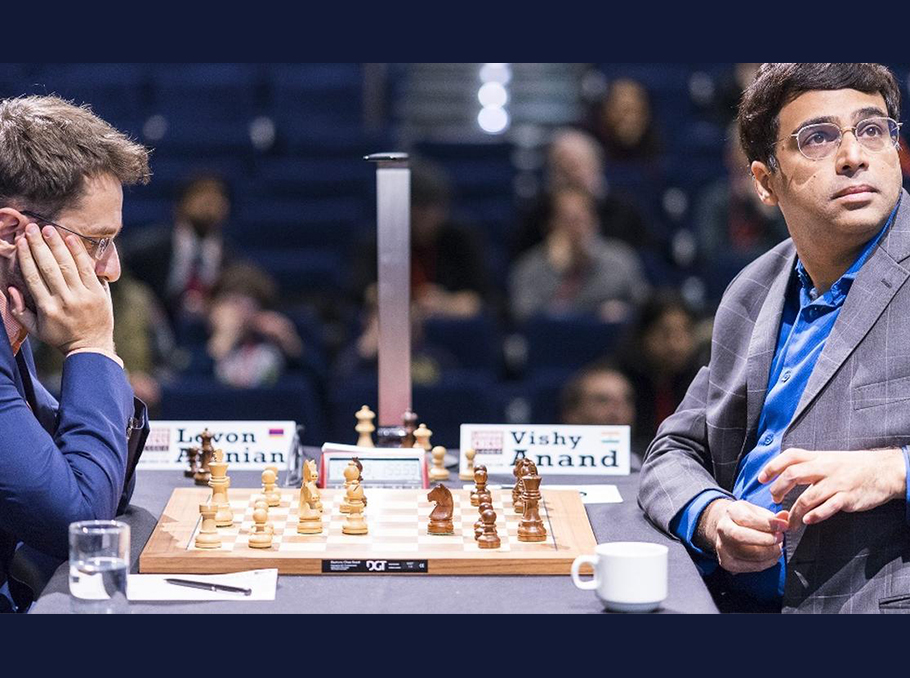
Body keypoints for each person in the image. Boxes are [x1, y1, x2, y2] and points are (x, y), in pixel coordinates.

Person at [638, 63, 910, 613]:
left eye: (872, 129)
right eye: (818, 138)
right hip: (723, 599)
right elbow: (672, 449)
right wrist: (712, 517)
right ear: (765, 181)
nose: (854, 155)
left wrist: (897, 470)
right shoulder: (752, 288)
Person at [0, 95, 150, 612]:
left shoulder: (10, 325)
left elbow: (99, 482)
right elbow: (81, 522)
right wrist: (92, 346)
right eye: (95, 242)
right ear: (11, 232)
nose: (111, 269)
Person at [509, 186, 648, 322]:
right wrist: (557, 270)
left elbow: (644, 306)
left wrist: (625, 310)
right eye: (566, 220)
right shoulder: (529, 265)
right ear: (550, 224)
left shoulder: (620, 258)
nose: (575, 228)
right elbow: (522, 315)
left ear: (594, 220)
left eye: (581, 219)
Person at [513, 128, 655, 256]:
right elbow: (522, 262)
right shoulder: (539, 213)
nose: (571, 177)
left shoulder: (623, 210)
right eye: (562, 169)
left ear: (596, 166)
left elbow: (642, 258)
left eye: (575, 166)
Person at [122, 174, 235, 328]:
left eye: (217, 197)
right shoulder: (148, 247)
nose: (209, 204)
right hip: (153, 324)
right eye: (201, 195)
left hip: (206, 327)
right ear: (181, 204)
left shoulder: (229, 255)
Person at [615, 291, 702, 442]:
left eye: (684, 333)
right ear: (644, 335)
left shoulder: (702, 381)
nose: (676, 345)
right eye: (665, 333)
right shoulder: (618, 381)